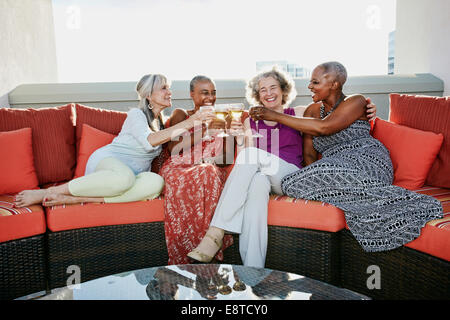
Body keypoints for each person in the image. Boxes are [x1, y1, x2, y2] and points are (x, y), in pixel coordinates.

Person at [187, 67, 378, 267]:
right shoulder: (249, 121)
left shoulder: (298, 112)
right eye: (263, 90)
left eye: (273, 87)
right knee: (257, 183)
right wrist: (240, 138)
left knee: (253, 158)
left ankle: (215, 233)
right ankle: (253, 270)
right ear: (257, 95)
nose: (268, 93)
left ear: (283, 90)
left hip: (290, 176)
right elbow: (247, 159)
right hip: (264, 175)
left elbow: (333, 111)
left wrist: (368, 108)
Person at [270, 61, 442, 252]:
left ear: (334, 84)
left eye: (315, 82)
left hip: (367, 159)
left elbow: (325, 127)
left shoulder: (356, 101)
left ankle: (414, 205)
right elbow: (309, 153)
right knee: (292, 182)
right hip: (335, 164)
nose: (310, 86)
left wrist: (273, 116)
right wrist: (313, 174)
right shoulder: (311, 111)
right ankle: (382, 205)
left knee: (325, 171)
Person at [14, 74, 215, 208]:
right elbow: (149, 142)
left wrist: (205, 128)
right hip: (107, 164)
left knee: (156, 183)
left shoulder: (162, 123)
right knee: (124, 178)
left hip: (130, 177)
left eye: (169, 88)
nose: (169, 92)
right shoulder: (136, 115)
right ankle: (49, 192)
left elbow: (173, 144)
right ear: (148, 95)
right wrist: (192, 121)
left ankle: (77, 199)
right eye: (163, 88)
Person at [159, 75, 234, 265]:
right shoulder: (182, 114)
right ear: (192, 94)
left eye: (213, 93)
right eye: (204, 93)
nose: (210, 98)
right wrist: (205, 129)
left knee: (209, 172)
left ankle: (204, 251)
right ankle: (190, 254)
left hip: (207, 167)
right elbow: (173, 148)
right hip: (178, 168)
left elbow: (227, 159)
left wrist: (231, 132)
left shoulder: (224, 118)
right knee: (206, 172)